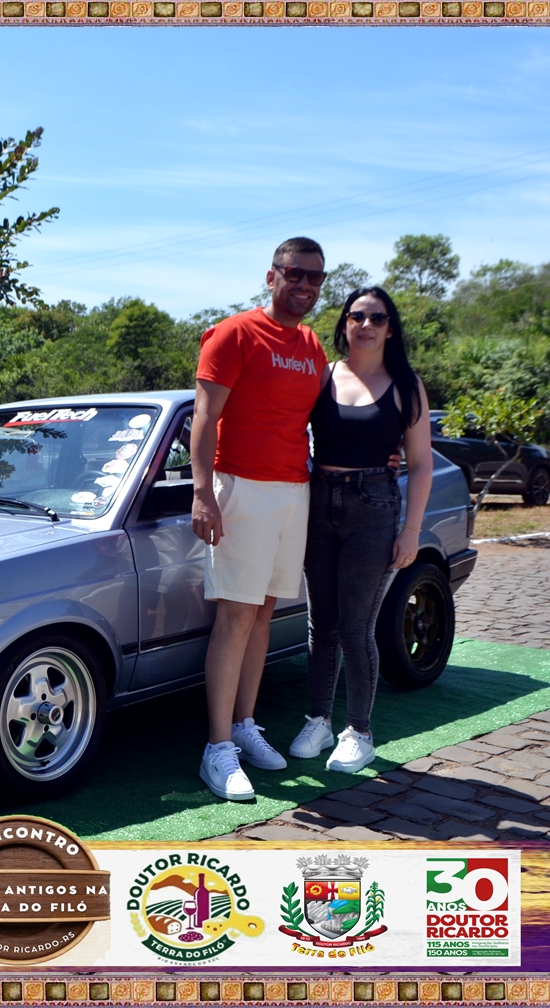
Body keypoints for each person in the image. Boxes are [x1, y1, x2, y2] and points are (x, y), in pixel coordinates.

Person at [191, 238, 330, 801]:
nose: (305, 285)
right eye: (295, 274)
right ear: (271, 276)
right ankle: (217, 748)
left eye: (315, 278)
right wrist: (204, 493)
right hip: (241, 488)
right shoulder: (234, 333)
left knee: (265, 611)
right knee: (235, 616)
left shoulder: (312, 345)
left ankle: (245, 725)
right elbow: (204, 416)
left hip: (294, 491)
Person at [288, 286, 433, 773]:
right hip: (318, 503)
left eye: (377, 317)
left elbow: (421, 464)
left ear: (391, 328)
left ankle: (359, 732)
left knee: (355, 626)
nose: (366, 325)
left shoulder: (406, 385)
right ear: (344, 324)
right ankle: (319, 720)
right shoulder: (322, 375)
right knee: (321, 625)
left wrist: (411, 531)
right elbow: (289, 429)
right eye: (356, 316)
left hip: (374, 507)